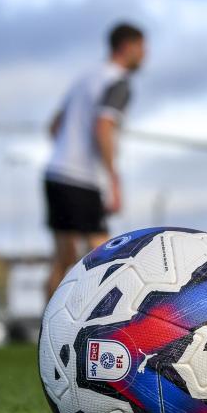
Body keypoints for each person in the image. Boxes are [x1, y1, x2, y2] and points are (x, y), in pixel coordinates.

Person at [45, 22, 146, 299]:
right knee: (103, 259)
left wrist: (69, 146)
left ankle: (47, 333)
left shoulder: (85, 77)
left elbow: (54, 126)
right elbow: (103, 126)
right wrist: (114, 179)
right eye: (142, 48)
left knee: (64, 260)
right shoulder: (119, 82)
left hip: (56, 172)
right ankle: (103, 329)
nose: (145, 55)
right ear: (127, 47)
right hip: (82, 178)